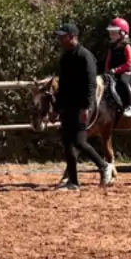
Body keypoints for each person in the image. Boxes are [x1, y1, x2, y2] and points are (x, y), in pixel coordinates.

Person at [53, 23, 114, 190]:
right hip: (68, 106)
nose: (60, 39)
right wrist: (57, 108)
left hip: (81, 105)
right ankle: (73, 181)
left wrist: (86, 107)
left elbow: (91, 84)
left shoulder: (85, 56)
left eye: (63, 36)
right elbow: (63, 85)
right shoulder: (65, 57)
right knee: (67, 142)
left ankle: (104, 166)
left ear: (73, 36)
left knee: (80, 141)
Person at [105, 17, 131, 118]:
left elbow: (129, 63)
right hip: (113, 73)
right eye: (110, 33)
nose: (111, 35)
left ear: (122, 33)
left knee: (123, 82)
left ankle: (130, 106)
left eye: (114, 33)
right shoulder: (112, 47)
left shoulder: (126, 47)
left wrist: (116, 70)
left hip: (126, 72)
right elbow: (108, 61)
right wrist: (106, 71)